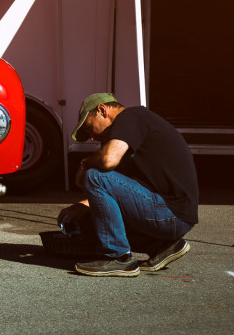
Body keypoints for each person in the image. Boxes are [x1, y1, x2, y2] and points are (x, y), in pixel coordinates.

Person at [58, 92, 198, 277]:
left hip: (171, 213)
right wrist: (81, 206)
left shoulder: (129, 116)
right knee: (88, 221)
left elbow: (107, 160)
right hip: (173, 215)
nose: (92, 138)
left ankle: (118, 257)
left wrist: (85, 165)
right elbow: (115, 194)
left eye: (89, 127)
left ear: (102, 110)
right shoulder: (129, 136)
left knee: (94, 176)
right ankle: (162, 246)